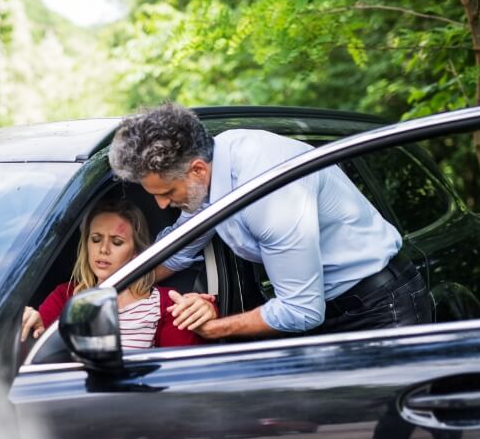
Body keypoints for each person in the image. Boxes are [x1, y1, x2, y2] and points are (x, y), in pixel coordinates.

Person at [108, 102, 432, 339]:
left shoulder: (268, 190)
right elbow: (177, 250)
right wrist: (104, 290)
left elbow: (301, 311)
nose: (162, 203)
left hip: (379, 311)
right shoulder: (206, 174)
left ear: (196, 170)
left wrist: (216, 327)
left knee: (393, 432)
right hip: (322, 311)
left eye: (166, 192)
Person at [21, 198, 217, 348]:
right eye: (96, 239)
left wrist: (207, 309)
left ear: (135, 252)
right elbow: (38, 343)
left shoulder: (164, 304)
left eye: (117, 242)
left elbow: (180, 373)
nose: (103, 249)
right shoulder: (65, 296)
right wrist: (30, 323)